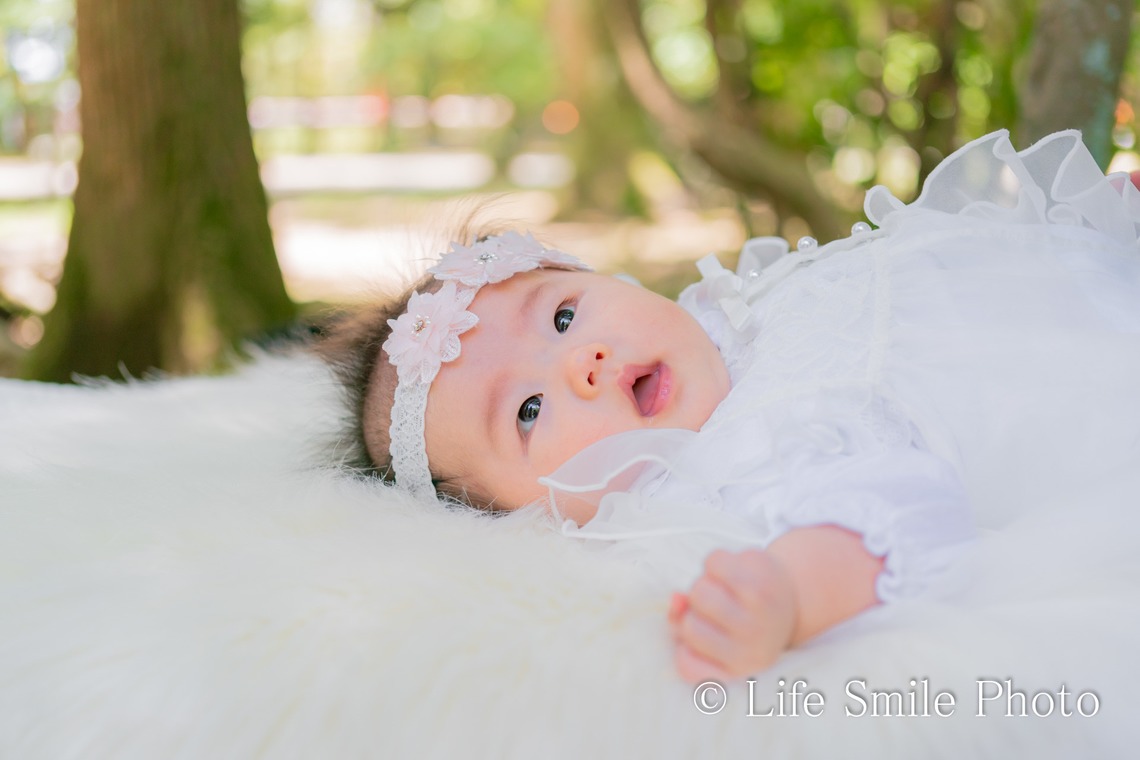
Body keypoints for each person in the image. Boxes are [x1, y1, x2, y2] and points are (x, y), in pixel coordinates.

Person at [317, 130, 1140, 685]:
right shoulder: (729, 472)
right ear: (534, 519)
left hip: (1078, 282)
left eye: (565, 315)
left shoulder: (728, 315)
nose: (585, 362)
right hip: (1096, 398)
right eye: (528, 412)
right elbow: (907, 506)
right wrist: (788, 593)